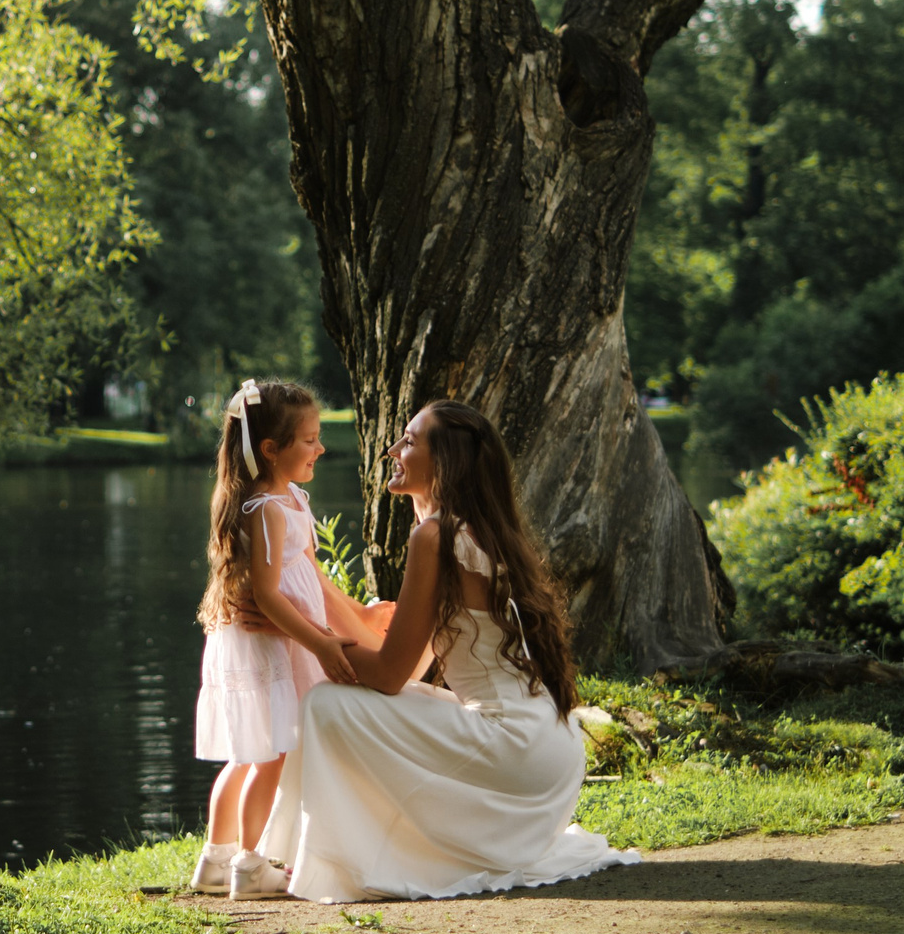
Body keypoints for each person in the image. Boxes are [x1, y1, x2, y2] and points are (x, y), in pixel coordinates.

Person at [256, 400, 641, 902]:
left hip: (516, 750)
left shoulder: (435, 535)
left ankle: (339, 858)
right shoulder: (479, 530)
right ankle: (339, 851)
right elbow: (406, 669)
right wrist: (318, 613)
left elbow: (389, 674)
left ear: (446, 462)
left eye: (410, 442)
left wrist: (303, 635)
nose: (392, 450)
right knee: (373, 701)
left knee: (326, 705)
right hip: (552, 753)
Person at [190, 379, 376, 899]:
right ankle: (249, 866)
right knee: (268, 754)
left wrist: (356, 612)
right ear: (271, 449)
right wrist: (320, 642)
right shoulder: (265, 509)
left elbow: (309, 572)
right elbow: (270, 598)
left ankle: (214, 857)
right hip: (274, 643)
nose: (320, 447)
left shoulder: (288, 496)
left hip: (284, 638)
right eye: (310, 440)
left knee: (249, 754)